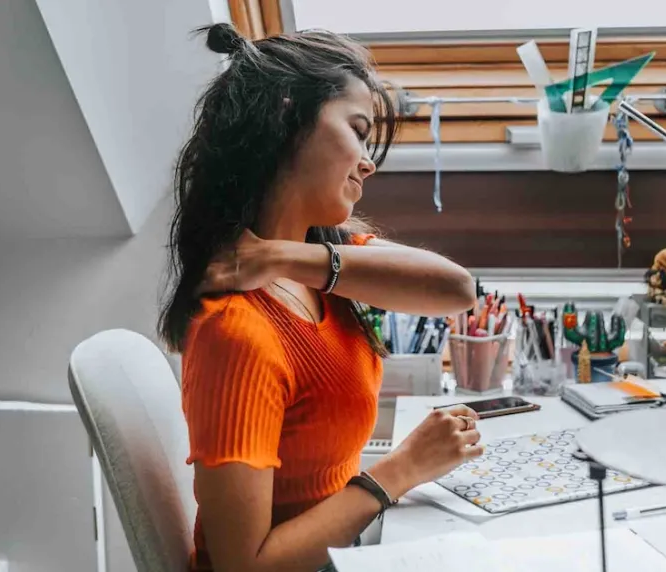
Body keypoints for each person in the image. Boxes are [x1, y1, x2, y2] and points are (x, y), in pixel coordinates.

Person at [159, 22, 484, 572]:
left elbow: (458, 290)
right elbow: (244, 567)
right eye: (357, 130)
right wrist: (400, 470)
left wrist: (285, 257)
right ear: (287, 118)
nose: (368, 160)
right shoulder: (236, 332)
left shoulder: (325, 257)